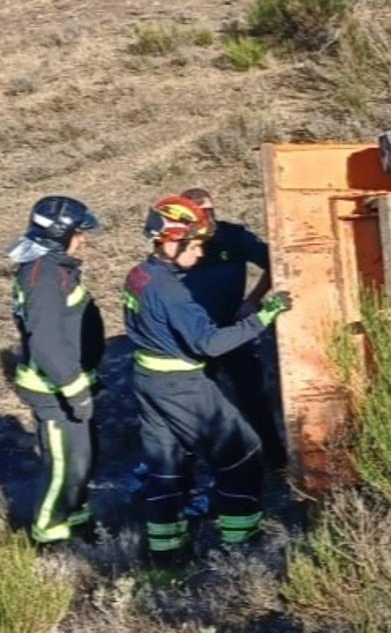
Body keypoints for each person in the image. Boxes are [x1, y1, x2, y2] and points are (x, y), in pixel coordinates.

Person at [124, 195, 292, 563]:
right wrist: (263, 316)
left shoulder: (140, 274)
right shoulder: (172, 291)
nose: (200, 253)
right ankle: (241, 550)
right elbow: (210, 343)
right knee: (242, 454)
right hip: (182, 384)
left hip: (149, 380)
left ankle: (166, 562)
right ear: (171, 239)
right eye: (195, 244)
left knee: (166, 468)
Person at [8, 196, 104, 545]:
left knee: (83, 460)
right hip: (55, 391)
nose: (84, 239)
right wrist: (75, 389)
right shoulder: (44, 277)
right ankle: (47, 539)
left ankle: (77, 522)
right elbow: (47, 342)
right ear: (60, 234)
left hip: (65, 386)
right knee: (66, 468)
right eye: (79, 232)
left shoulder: (52, 267)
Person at [177, 187, 284, 468]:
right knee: (196, 403)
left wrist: (252, 300)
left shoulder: (232, 237)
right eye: (197, 213)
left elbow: (277, 263)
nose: (205, 218)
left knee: (252, 397)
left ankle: (275, 459)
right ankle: (203, 464)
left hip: (234, 330)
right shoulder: (176, 244)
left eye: (209, 211)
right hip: (194, 335)